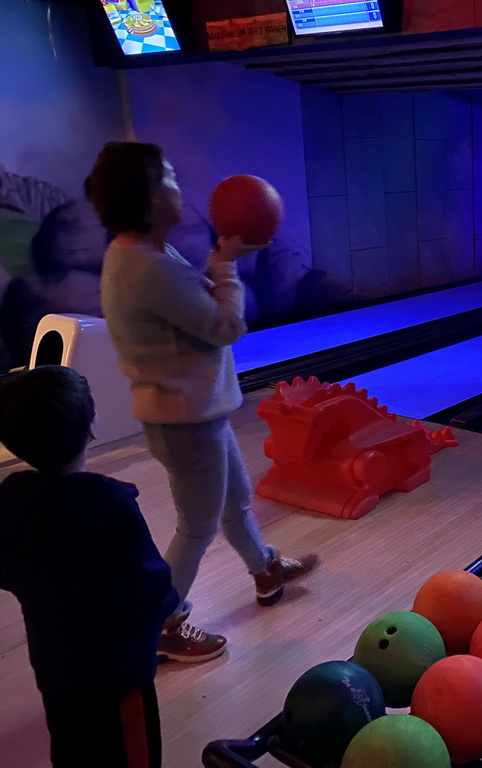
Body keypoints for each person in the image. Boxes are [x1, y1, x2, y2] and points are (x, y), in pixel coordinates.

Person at [90, 142, 319, 663]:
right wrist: (224, 263)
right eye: (168, 178)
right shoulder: (147, 267)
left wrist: (217, 264)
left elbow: (194, 310)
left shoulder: (141, 252)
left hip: (194, 414)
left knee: (235, 501)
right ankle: (164, 622)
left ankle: (265, 569)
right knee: (196, 526)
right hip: (185, 422)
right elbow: (224, 326)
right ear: (148, 199)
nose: (180, 187)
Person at [0, 365, 178, 768]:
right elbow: (148, 583)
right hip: (116, 675)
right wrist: (172, 602)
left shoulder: (10, 504)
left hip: (56, 668)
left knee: (72, 748)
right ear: (91, 430)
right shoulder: (111, 505)